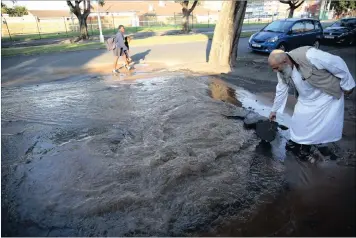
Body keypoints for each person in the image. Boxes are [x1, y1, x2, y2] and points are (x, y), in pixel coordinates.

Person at [268, 46, 355, 160]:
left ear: (284, 61)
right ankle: (298, 142)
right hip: (305, 98)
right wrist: (274, 110)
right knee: (298, 120)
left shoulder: (310, 55)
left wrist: (347, 84)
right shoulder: (283, 69)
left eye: (275, 68)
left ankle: (306, 147)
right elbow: (281, 90)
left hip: (324, 94)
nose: (275, 71)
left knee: (319, 124)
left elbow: (337, 63)